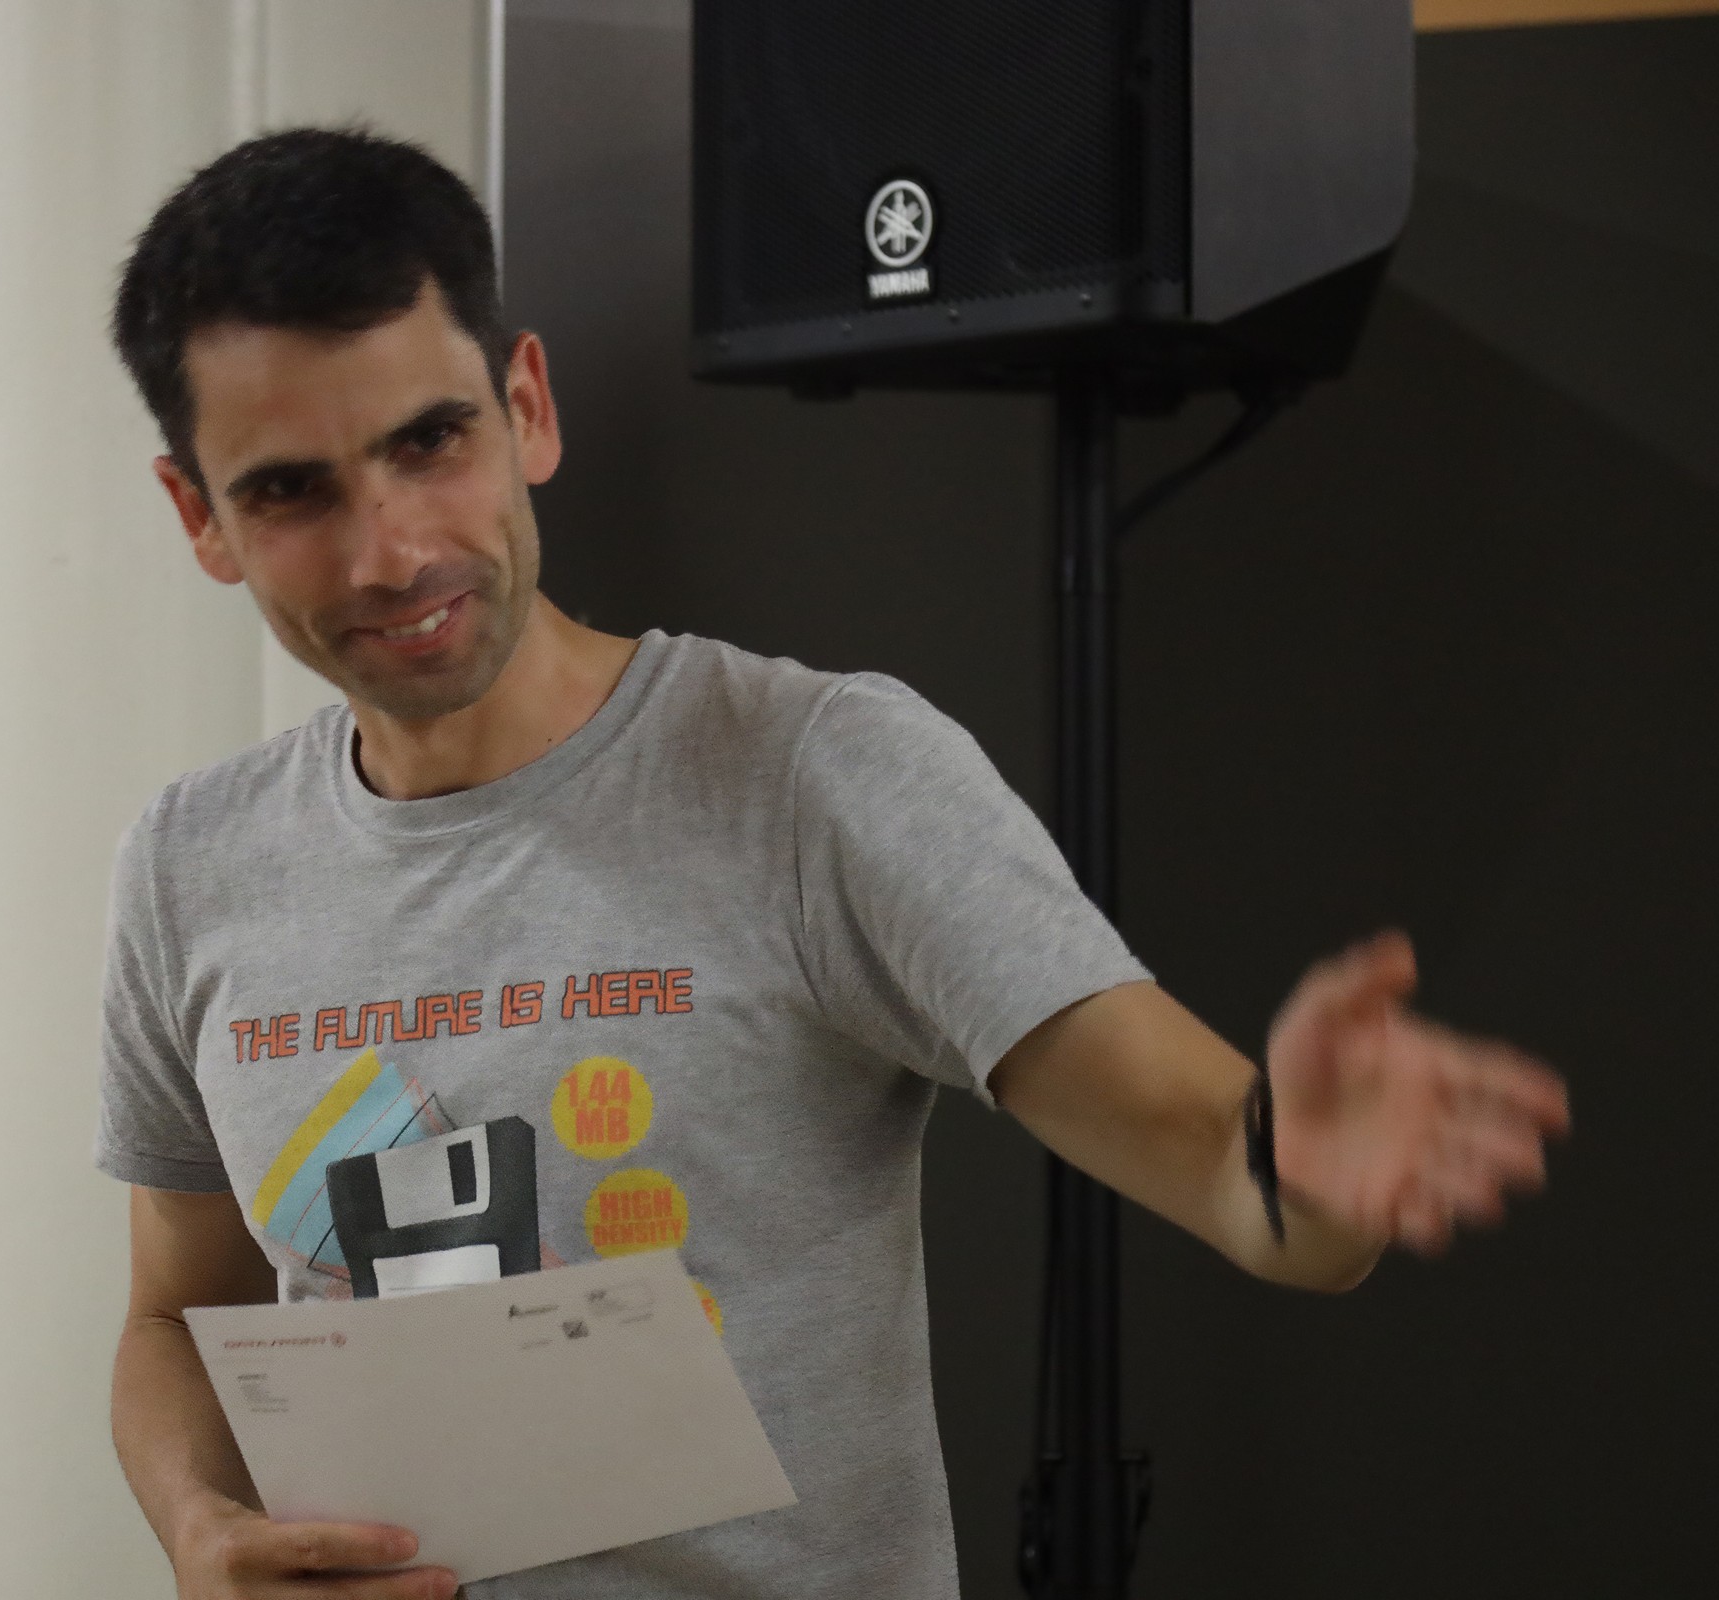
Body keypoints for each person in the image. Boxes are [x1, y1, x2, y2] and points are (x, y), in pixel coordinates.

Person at [95, 128, 1570, 1600]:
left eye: (430, 442)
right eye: (291, 492)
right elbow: (174, 1316)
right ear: (199, 519)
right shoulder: (191, 863)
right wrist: (198, 1527)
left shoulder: (811, 774)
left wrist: (1304, 1176)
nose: (390, 551)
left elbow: (1232, 1176)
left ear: (526, 409)